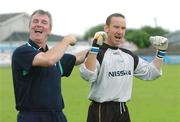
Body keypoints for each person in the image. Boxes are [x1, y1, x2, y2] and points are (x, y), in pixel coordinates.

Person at [80, 13, 168, 122]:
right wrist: (95, 47)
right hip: (101, 110)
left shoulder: (128, 55)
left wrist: (161, 52)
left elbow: (152, 73)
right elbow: (87, 75)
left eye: (123, 28)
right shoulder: (97, 53)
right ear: (106, 28)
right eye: (116, 27)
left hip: (123, 110)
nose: (120, 31)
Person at [11, 9, 88, 122]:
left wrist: (95, 49)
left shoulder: (54, 55)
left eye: (44, 22)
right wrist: (66, 40)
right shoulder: (22, 52)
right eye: (35, 21)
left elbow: (76, 58)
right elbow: (48, 60)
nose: (39, 24)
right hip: (32, 117)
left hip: (57, 116)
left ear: (50, 30)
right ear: (30, 27)